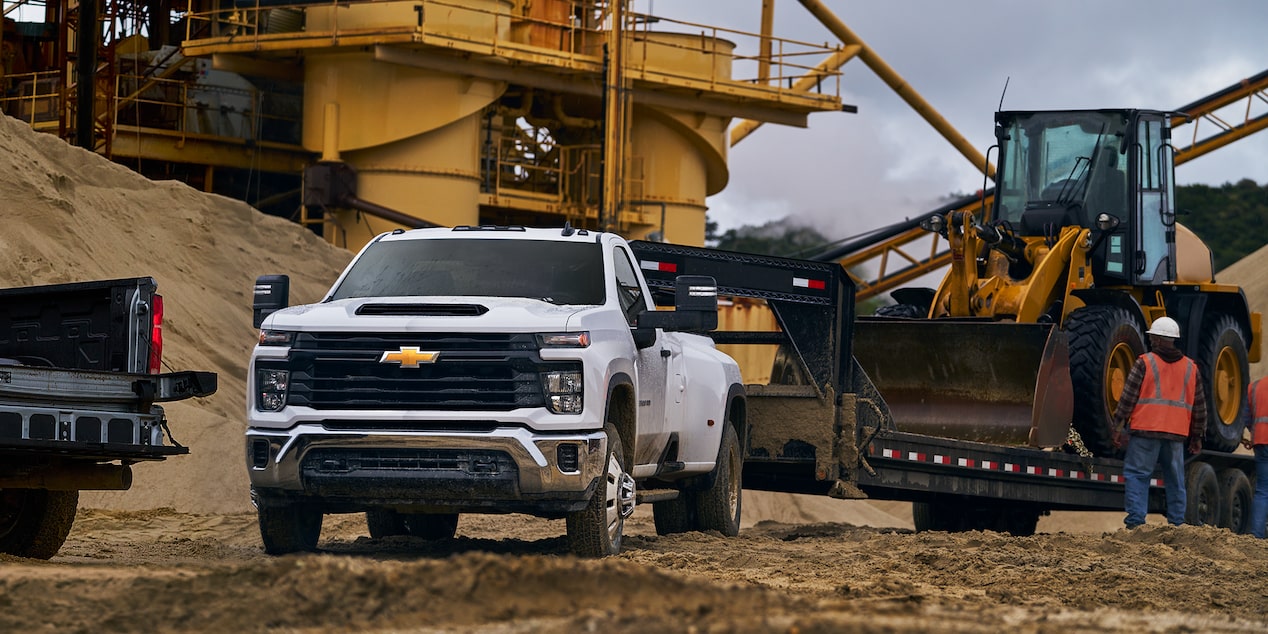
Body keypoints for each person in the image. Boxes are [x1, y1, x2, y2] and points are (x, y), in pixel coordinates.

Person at [1111, 316, 1206, 528]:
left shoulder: (1144, 362)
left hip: (1145, 431)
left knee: (1137, 475)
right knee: (1176, 480)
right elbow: (1200, 407)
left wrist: (1117, 427)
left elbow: (1127, 398)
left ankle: (1136, 523)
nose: (1151, 340)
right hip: (1175, 435)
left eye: (1153, 337)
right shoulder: (1191, 368)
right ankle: (1177, 524)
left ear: (1158, 339)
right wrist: (1197, 436)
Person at [1246, 376, 1268, 538]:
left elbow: (1246, 418)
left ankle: (1256, 536)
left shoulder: (1255, 386)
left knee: (1262, 490)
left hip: (1261, 441)